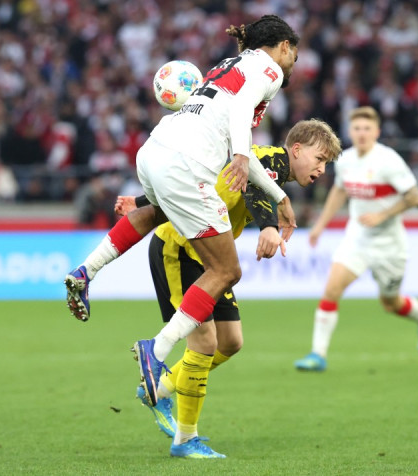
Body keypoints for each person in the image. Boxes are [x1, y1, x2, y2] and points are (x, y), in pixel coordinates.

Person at [63, 13, 300, 425]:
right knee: (225, 270)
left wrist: (279, 196)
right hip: (187, 165)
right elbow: (241, 115)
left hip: (155, 150)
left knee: (156, 211)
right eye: (294, 53)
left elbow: (235, 135)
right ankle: (156, 351)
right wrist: (241, 156)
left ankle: (85, 271)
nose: (294, 62)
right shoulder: (269, 68)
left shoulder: (228, 65)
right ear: (283, 46)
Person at [116, 119, 341, 458]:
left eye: (326, 163)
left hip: (211, 259)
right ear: (296, 150)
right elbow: (253, 186)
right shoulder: (266, 159)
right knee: (204, 343)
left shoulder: (273, 173)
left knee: (231, 341)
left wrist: (139, 200)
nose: (322, 169)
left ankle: (159, 390)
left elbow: (206, 180)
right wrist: (267, 226)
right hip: (180, 248)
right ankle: (185, 439)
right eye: (319, 159)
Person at [295, 106, 418, 372]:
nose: (361, 133)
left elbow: (415, 197)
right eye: (357, 128)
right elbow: (339, 191)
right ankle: (317, 354)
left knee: (390, 302)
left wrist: (383, 215)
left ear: (377, 132)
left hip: (390, 245)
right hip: (357, 240)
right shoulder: (345, 160)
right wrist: (320, 225)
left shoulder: (389, 161)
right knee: (331, 290)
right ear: (350, 132)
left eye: (367, 129)